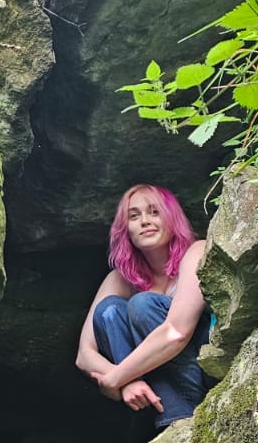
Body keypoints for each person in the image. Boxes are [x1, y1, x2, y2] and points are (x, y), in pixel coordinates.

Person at [75, 183, 211, 428]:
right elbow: (84, 355)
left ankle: (185, 413)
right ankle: (173, 417)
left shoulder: (197, 252)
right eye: (134, 216)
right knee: (109, 310)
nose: (145, 221)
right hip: (156, 392)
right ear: (125, 230)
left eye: (154, 212)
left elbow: (176, 333)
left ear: (172, 219)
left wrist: (116, 378)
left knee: (142, 304)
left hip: (200, 373)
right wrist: (127, 382)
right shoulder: (120, 278)